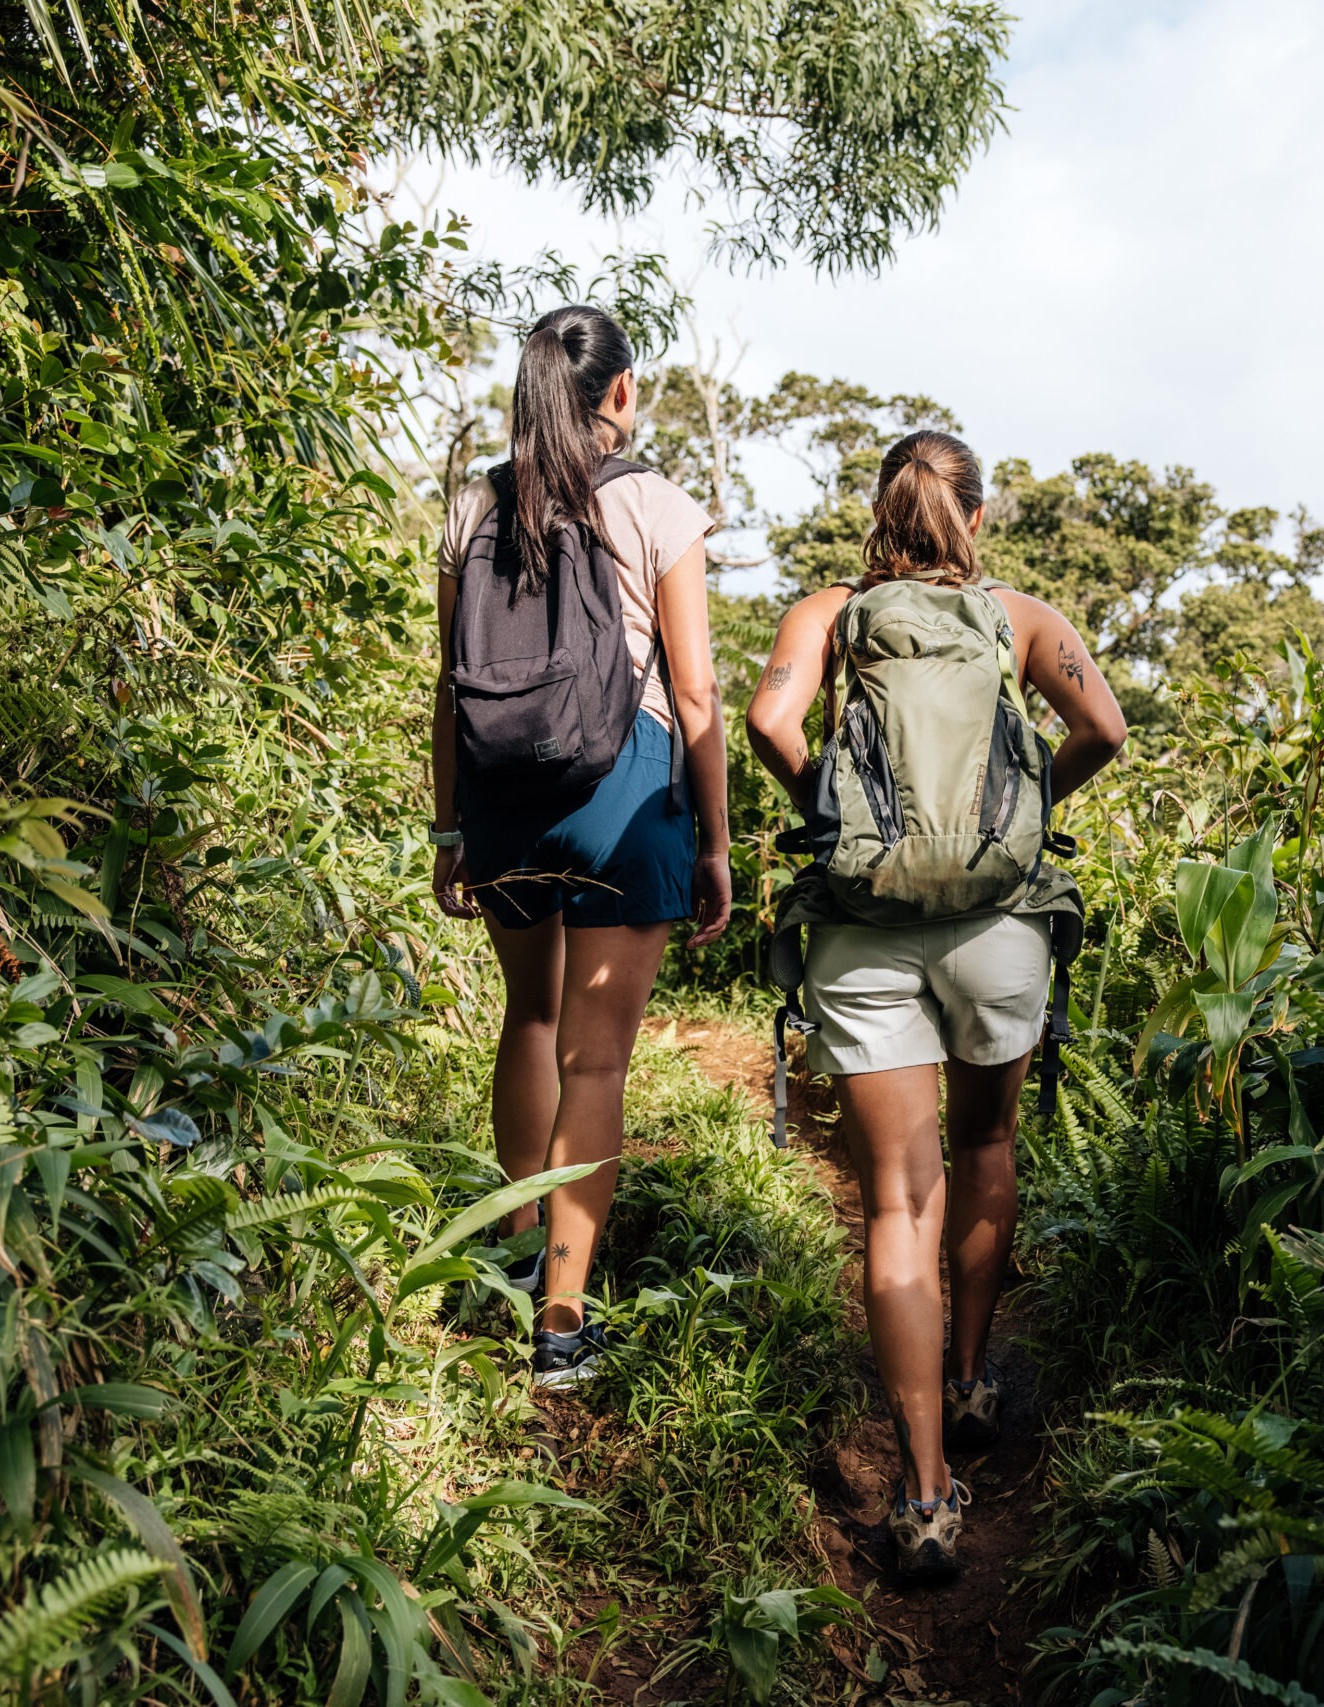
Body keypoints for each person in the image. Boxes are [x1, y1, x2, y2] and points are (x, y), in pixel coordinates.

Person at [744, 430, 1127, 1577]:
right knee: (989, 1141)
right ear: (976, 512)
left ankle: (922, 1493)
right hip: (999, 930)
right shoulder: (1020, 618)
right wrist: (1017, 822)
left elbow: (770, 723)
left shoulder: (827, 613)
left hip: (864, 934)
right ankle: (971, 1379)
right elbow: (1102, 730)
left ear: (880, 508)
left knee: (896, 1208)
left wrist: (839, 819)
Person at [430, 305, 732, 1386]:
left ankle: (517, 1253)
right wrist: (714, 844)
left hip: (504, 794)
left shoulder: (475, 502)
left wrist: (448, 827)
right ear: (618, 392)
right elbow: (693, 691)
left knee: (531, 1012)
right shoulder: (655, 502)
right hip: (626, 786)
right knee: (594, 1056)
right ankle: (561, 1318)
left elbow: (446, 689)